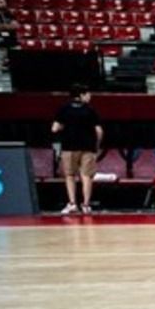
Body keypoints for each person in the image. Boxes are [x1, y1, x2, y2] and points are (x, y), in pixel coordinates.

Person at [52, 87, 102, 216]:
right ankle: (86, 205)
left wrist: (65, 126)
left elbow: (54, 129)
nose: (90, 97)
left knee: (70, 175)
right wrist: (97, 146)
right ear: (81, 95)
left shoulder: (64, 109)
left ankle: (72, 203)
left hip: (69, 147)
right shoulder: (90, 110)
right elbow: (98, 131)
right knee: (86, 176)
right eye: (88, 94)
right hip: (88, 148)